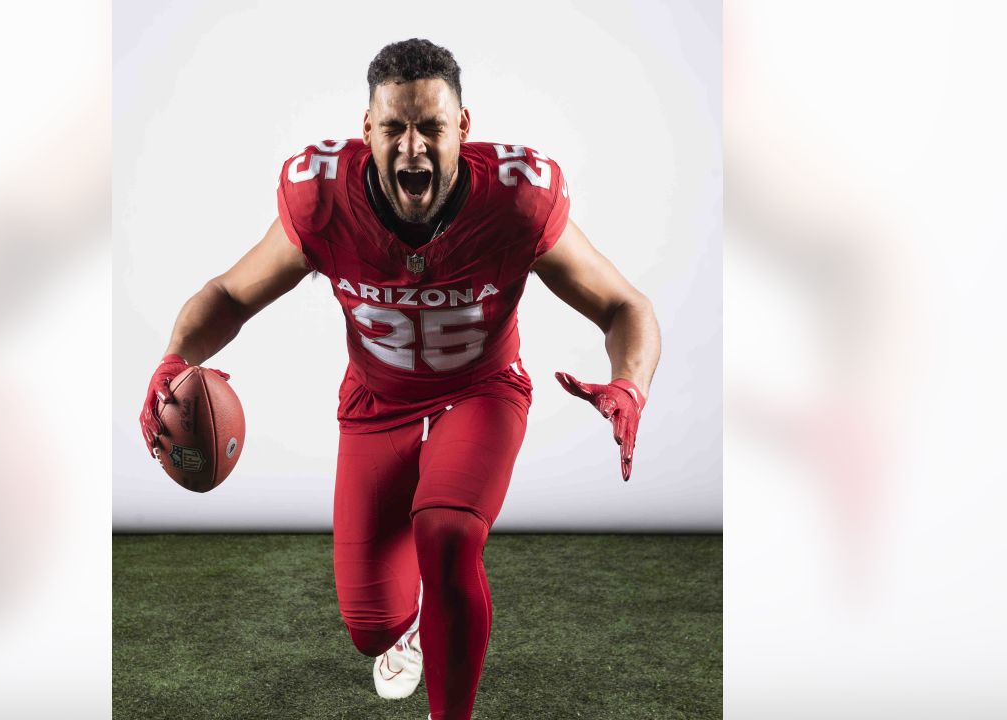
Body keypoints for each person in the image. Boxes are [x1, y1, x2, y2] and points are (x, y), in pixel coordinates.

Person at [139, 38, 661, 720]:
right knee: (369, 624)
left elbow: (626, 306)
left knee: (445, 534)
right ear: (367, 130)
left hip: (482, 389)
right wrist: (175, 358)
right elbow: (230, 296)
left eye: (432, 128)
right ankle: (403, 628)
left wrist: (630, 383)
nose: (413, 148)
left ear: (464, 129)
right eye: (394, 128)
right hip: (375, 401)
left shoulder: (516, 201)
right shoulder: (322, 197)